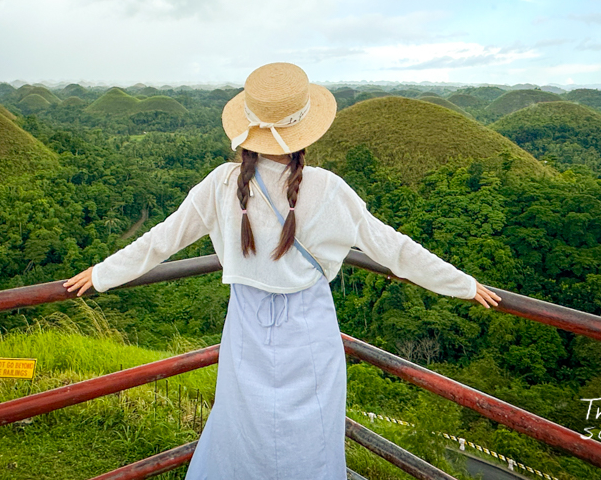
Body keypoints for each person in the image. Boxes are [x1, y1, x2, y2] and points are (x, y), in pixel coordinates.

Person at [63, 62, 501, 479]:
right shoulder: (329, 189)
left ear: (248, 128)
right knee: (311, 433)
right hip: (309, 327)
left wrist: (101, 274)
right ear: (304, 132)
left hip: (246, 327)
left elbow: (161, 240)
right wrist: (463, 285)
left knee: (243, 424)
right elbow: (395, 250)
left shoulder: (220, 184)